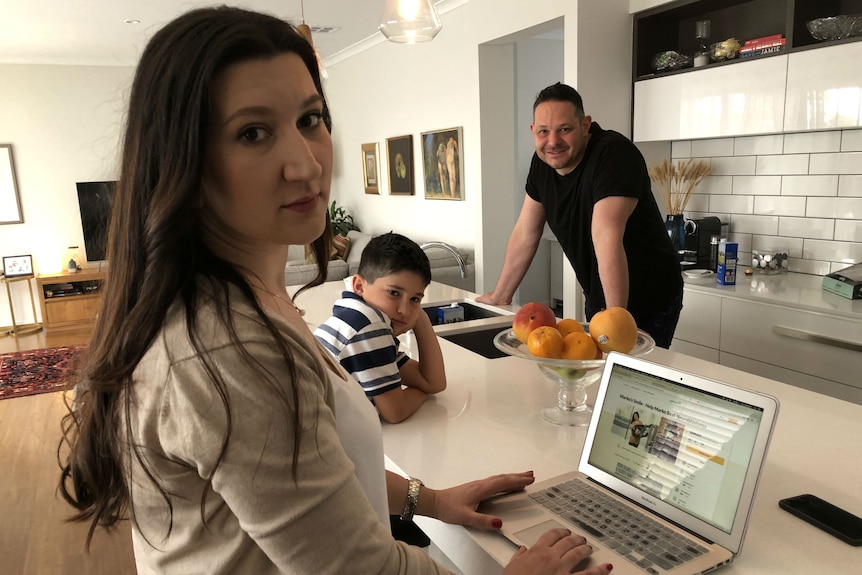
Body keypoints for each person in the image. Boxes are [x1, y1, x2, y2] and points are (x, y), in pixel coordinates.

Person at [56, 7, 612, 575]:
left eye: (310, 119)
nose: (305, 164)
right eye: (253, 132)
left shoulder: (260, 302)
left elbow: (319, 475)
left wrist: (432, 501)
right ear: (184, 162)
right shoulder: (233, 351)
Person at [477, 82, 683, 348]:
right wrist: (499, 296)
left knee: (629, 381)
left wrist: (615, 321)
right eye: (543, 132)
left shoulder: (615, 154)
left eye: (564, 129)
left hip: (650, 295)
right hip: (600, 293)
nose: (553, 142)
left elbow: (606, 234)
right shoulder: (542, 164)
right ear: (533, 131)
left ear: (585, 125)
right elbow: (526, 233)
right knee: (597, 376)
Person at [315, 232, 446, 424]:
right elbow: (395, 412)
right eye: (394, 293)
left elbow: (433, 382)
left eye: (415, 299)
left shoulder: (354, 316)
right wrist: (420, 393)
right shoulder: (369, 326)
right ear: (359, 285)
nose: (404, 310)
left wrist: (421, 319)